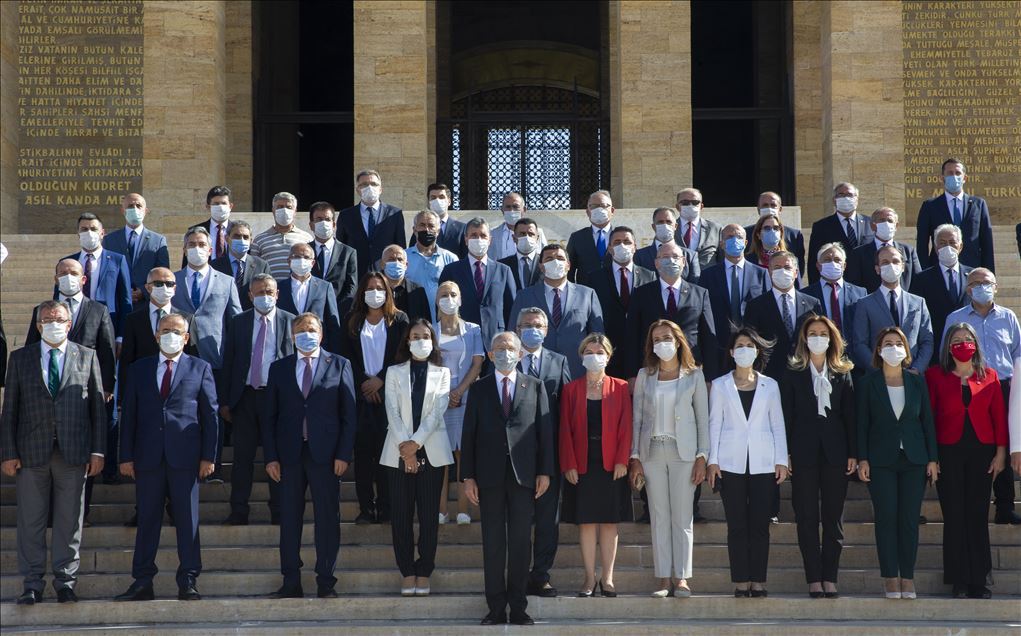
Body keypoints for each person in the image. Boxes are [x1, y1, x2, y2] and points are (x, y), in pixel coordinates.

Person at [1, 301, 106, 605]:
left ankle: (65, 582)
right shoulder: (20, 359)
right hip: (31, 452)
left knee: (69, 521)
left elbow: (97, 409)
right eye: (47, 319)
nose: (53, 323)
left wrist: (98, 450)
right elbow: (10, 411)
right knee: (31, 521)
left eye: (59, 319)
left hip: (73, 452)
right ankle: (32, 583)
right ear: (37, 326)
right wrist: (8, 452)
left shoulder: (87, 356)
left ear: (69, 323)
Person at [116, 313, 218, 602]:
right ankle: (142, 581)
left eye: (177, 331)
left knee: (187, 522)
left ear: (186, 337)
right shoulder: (139, 369)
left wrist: (209, 456)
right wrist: (126, 456)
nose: (170, 334)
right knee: (147, 520)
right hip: (148, 457)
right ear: (156, 335)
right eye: (165, 330)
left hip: (185, 458)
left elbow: (210, 416)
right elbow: (130, 416)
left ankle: (188, 579)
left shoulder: (200, 368)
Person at [461, 331, 553, 626]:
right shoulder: (479, 389)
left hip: (524, 475)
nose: (505, 352)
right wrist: (468, 477)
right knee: (493, 543)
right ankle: (496, 607)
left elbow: (544, 432)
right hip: (488, 477)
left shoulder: (535, 386)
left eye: (510, 347)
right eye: (499, 347)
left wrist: (545, 470)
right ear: (489, 354)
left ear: (520, 353)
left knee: (520, 542)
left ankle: (519, 607)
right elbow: (469, 434)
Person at [263, 313, 357, 599]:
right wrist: (270, 457)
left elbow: (349, 415)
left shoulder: (339, 364)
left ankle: (326, 580)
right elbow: (269, 417)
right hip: (289, 455)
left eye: (312, 329)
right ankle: (291, 581)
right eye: (301, 330)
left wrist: (344, 454)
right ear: (292, 336)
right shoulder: (279, 368)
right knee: (289, 519)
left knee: (327, 519)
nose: (306, 334)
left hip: (326, 456)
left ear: (321, 334)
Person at [706, 327, 789, 598]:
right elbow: (714, 423)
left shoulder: (770, 385)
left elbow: (777, 423)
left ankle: (759, 581)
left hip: (764, 463)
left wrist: (781, 460)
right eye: (739, 345)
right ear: (731, 352)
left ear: (757, 351)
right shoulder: (719, 385)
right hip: (731, 463)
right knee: (737, 525)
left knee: (760, 525)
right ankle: (741, 581)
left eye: (749, 345)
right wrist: (712, 461)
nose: (744, 350)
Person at [857, 327, 938, 599]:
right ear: (879, 350)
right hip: (881, 460)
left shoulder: (916, 381)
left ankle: (908, 577)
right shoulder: (869, 383)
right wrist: (863, 458)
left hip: (914, 459)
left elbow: (927, 421)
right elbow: (862, 425)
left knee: (909, 521)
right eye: (887, 343)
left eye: (898, 343)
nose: (893, 348)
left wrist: (933, 459)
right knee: (886, 518)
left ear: (906, 350)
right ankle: (890, 577)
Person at [926, 323, 1007, 598]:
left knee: (976, 515)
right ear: (949, 347)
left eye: (968, 339)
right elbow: (929, 419)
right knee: (955, 516)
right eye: (957, 339)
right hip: (948, 452)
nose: (963, 343)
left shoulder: (990, 375)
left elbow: (998, 417)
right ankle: (959, 580)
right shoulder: (935, 376)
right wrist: (932, 458)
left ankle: (979, 580)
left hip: (982, 453)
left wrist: (1000, 453)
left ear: (976, 344)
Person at [629, 321, 708, 598]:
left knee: (682, 517)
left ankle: (682, 577)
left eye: (666, 338)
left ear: (678, 341)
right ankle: (664, 578)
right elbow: (637, 419)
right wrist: (634, 457)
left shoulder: (694, 375)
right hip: (651, 452)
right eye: (656, 339)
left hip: (683, 453)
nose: (661, 343)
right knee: (659, 515)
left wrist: (702, 457)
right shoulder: (644, 375)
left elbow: (702, 420)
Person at [780, 315, 856, 598]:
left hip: (836, 454)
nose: (818, 337)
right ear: (804, 338)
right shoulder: (793, 371)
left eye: (823, 333)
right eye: (812, 333)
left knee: (833, 518)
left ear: (832, 338)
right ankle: (814, 577)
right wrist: (784, 452)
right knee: (807, 517)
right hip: (803, 453)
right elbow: (786, 415)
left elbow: (850, 416)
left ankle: (830, 577)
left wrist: (853, 453)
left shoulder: (843, 371)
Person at [381, 320, 454, 596]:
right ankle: (407, 571)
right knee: (400, 516)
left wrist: (416, 444)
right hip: (397, 451)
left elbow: (437, 413)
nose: (420, 340)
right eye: (415, 336)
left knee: (428, 517)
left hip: (431, 452)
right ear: (407, 341)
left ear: (433, 341)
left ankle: (424, 570)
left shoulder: (443, 373)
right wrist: (406, 447)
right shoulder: (394, 372)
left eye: (425, 336)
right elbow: (391, 410)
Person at [943, 268, 1021, 524]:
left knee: (1005, 442)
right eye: (975, 283)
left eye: (986, 282)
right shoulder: (956, 318)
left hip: (1005, 385)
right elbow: (946, 353)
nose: (981, 286)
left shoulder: (1008, 317)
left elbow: (1018, 353)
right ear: (967, 289)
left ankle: (1005, 505)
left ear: (996, 286)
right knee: (981, 442)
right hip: (971, 386)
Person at [218, 274, 295, 525]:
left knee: (279, 456)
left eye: (270, 291)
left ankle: (280, 511)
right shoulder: (239, 322)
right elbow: (229, 361)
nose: (265, 296)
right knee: (242, 458)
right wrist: (226, 401)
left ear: (277, 294)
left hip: (279, 400)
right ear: (250, 296)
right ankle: (239, 510)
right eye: (260, 292)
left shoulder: (289, 321)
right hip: (246, 398)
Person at [560, 334, 633, 597]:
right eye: (589, 351)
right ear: (581, 356)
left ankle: (608, 578)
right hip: (581, 463)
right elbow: (564, 430)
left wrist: (622, 460)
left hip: (612, 462)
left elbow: (626, 427)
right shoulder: (570, 389)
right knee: (587, 522)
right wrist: (568, 463)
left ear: (609, 356)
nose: (594, 356)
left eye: (600, 351)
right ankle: (590, 578)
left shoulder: (621, 387)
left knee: (610, 522)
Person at [340, 272, 410, 524]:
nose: (375, 292)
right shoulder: (352, 320)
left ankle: (387, 506)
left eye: (379, 288)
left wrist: (380, 380)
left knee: (387, 455)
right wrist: (364, 384)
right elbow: (345, 357)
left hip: (389, 396)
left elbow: (403, 354)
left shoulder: (399, 320)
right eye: (369, 288)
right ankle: (366, 508)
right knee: (363, 456)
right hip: (360, 398)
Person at [515, 307, 573, 597]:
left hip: (549, 454)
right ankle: (517, 573)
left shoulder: (559, 361)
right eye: (526, 325)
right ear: (517, 329)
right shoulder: (507, 360)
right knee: (520, 520)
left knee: (548, 520)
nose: (532, 330)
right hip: (515, 456)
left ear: (546, 330)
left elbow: (566, 410)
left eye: (538, 325)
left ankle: (540, 575)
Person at [508, 243, 604, 379]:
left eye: (560, 258)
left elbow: (597, 335)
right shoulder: (525, 295)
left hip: (576, 368)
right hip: (535, 370)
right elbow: (513, 333)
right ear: (541, 267)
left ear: (569, 265)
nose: (555, 262)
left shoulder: (587, 294)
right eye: (549, 259)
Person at [433, 281, 485, 525]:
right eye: (444, 294)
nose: (449, 298)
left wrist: (460, 391)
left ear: (461, 299)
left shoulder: (473, 329)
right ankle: (441, 510)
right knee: (442, 456)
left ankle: (464, 510)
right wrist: (445, 394)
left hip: (466, 398)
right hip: (438, 400)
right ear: (436, 300)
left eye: (453, 294)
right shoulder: (430, 330)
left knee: (464, 454)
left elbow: (477, 363)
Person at [626, 242, 717, 380]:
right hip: (653, 368)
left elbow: (708, 337)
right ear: (656, 263)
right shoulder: (641, 294)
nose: (671, 260)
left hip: (690, 368)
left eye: (675, 256)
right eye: (665, 256)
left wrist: (710, 378)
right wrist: (632, 375)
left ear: (684, 262)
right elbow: (632, 336)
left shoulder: (700, 293)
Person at [697, 223, 770, 371]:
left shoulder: (761, 274)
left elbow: (767, 310)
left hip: (752, 347)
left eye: (739, 237)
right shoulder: (708, 276)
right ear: (721, 243)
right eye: (730, 237)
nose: (734, 240)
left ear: (746, 243)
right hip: (720, 348)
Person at [586, 226, 657, 379]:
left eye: (627, 241)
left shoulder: (649, 276)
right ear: (610, 248)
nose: (622, 245)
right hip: (608, 350)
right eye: (617, 242)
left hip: (641, 351)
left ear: (635, 247)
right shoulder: (595, 278)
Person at [851, 245, 934, 372]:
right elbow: (860, 344)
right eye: (885, 262)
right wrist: (879, 370)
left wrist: (917, 369)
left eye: (895, 261)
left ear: (902, 267)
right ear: (877, 269)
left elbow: (927, 341)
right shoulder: (865, 304)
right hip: (879, 378)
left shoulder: (918, 303)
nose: (891, 265)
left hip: (912, 375)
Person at [744, 250, 822, 382]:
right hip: (770, 376)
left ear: (796, 272)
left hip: (805, 374)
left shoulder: (812, 303)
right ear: (769, 272)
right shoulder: (755, 306)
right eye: (777, 268)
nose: (782, 271)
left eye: (787, 267)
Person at [438, 217, 516, 348]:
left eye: (483, 235)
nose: (478, 239)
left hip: (496, 340)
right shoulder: (451, 270)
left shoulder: (503, 270)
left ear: (490, 240)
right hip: (461, 339)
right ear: (466, 239)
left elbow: (511, 308)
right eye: (474, 235)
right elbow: (441, 306)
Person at [61, 212, 132, 339]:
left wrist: (121, 336)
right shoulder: (67, 263)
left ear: (102, 233)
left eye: (93, 229)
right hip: (74, 326)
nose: (89, 233)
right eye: (84, 229)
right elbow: (58, 297)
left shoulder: (117, 260)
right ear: (78, 234)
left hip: (107, 325)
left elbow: (125, 300)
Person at [916, 158, 995, 271]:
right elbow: (922, 244)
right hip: (939, 269)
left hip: (972, 270)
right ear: (942, 178)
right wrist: (924, 273)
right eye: (950, 173)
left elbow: (987, 243)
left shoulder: (978, 204)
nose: (954, 176)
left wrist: (989, 274)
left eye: (958, 173)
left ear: (965, 178)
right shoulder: (930, 206)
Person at [103, 193, 170, 308]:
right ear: (122, 210)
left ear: (146, 211)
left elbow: (163, 272)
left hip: (146, 304)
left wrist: (143, 290)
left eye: (138, 206)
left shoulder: (158, 240)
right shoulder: (109, 240)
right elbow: (105, 272)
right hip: (118, 304)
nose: (134, 209)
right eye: (130, 206)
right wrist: (123, 291)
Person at [909, 224, 971, 347]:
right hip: (936, 346)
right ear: (936, 247)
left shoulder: (973, 276)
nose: (948, 247)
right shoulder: (921, 279)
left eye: (952, 242)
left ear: (960, 246)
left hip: (967, 345)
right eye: (942, 243)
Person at [338, 169, 407, 279]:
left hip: (385, 275)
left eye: (374, 184)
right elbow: (340, 248)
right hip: (355, 275)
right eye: (364, 184)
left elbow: (400, 246)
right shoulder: (346, 215)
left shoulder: (394, 214)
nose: (369, 187)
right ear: (357, 190)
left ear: (380, 189)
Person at [276, 242, 343, 350]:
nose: (302, 260)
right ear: (289, 261)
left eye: (306, 257)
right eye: (297, 257)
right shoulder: (279, 288)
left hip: (317, 348)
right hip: (286, 350)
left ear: (312, 263)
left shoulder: (324, 287)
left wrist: (332, 352)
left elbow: (333, 324)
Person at [807, 182, 875, 284]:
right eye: (841, 195)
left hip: (866, 283)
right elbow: (814, 260)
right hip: (836, 284)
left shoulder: (870, 223)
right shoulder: (821, 226)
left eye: (849, 195)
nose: (846, 198)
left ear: (857, 199)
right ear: (834, 200)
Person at [802, 243, 867, 346]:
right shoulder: (805, 295)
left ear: (844, 265)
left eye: (837, 260)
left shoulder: (860, 293)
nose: (832, 263)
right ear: (818, 266)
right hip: (820, 353)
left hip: (852, 354)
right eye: (827, 260)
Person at [845, 207, 921, 292]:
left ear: (896, 226)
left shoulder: (908, 251)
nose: (886, 224)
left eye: (890, 221)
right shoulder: (859, 253)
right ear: (873, 226)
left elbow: (918, 281)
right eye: (882, 220)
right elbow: (854, 286)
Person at [307, 201, 359, 313]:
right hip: (309, 313)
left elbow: (352, 287)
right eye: (319, 219)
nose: (323, 223)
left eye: (327, 219)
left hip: (338, 313)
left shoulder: (348, 252)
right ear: (311, 225)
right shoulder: (304, 251)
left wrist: (336, 309)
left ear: (334, 225)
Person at [406, 209, 459, 319]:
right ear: (414, 230)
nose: (426, 229)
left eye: (431, 226)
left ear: (438, 231)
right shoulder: (403, 257)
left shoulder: (450, 258)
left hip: (443, 322)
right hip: (413, 322)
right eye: (422, 225)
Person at [250, 191, 314, 279]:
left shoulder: (306, 238)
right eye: (280, 207)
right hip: (269, 290)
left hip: (297, 289)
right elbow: (253, 268)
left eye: (289, 207)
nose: (285, 210)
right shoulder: (259, 239)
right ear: (273, 210)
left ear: (295, 211)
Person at [210, 220, 271, 312]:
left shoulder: (262, 265)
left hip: (251, 317)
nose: (241, 240)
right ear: (227, 238)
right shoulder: (214, 266)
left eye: (245, 237)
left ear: (251, 241)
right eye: (237, 236)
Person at [633, 207, 701, 283]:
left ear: (675, 226)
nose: (665, 225)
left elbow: (695, 286)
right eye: (660, 222)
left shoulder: (690, 256)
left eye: (668, 222)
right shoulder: (639, 256)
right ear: (653, 226)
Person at [746, 191, 806, 274]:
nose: (769, 208)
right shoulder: (745, 233)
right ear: (758, 209)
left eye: (773, 205)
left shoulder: (794, 235)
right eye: (765, 205)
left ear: (780, 209)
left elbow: (799, 268)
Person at [566, 190, 616, 284]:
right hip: (586, 293)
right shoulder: (577, 238)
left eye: (604, 206)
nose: (599, 209)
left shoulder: (620, 236)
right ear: (588, 212)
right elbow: (569, 270)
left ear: (612, 211)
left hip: (615, 293)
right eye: (594, 206)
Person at [409, 182, 467, 258]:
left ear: (449, 201)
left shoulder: (462, 229)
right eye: (433, 197)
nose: (437, 200)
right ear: (428, 202)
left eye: (441, 197)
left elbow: (465, 257)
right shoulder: (420, 229)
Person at [378, 243, 433, 322]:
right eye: (391, 259)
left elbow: (425, 323)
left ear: (406, 265)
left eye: (400, 259)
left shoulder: (417, 291)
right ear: (382, 264)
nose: (396, 263)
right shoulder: (373, 289)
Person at [489, 192, 549, 262]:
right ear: (502, 210)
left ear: (524, 209)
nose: (511, 210)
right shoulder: (493, 233)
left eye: (515, 207)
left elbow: (545, 257)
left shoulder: (538, 233)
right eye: (508, 207)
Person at [675, 188, 722, 268]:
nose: (690, 205)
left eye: (695, 202)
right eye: (685, 202)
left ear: (701, 206)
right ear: (677, 207)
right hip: (677, 278)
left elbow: (722, 259)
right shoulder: (669, 228)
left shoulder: (715, 229)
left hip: (707, 278)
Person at [498, 217, 546, 291]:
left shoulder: (546, 263)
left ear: (537, 238)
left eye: (531, 234)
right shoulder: (501, 265)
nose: (527, 237)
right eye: (522, 234)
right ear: (514, 238)